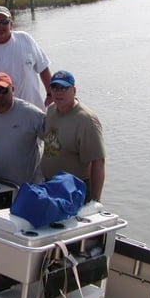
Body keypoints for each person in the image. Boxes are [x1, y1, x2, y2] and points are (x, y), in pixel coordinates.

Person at [0, 6, 52, 112]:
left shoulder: (26, 39)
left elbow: (43, 68)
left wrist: (50, 93)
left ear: (11, 25)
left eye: (5, 22)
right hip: (3, 116)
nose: (1, 26)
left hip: (35, 111)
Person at [41, 70, 106, 202]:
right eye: (54, 87)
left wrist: (95, 201)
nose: (58, 92)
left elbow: (98, 161)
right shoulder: (51, 109)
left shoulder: (86, 119)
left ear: (74, 90)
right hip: (49, 185)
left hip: (75, 189)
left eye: (64, 88)